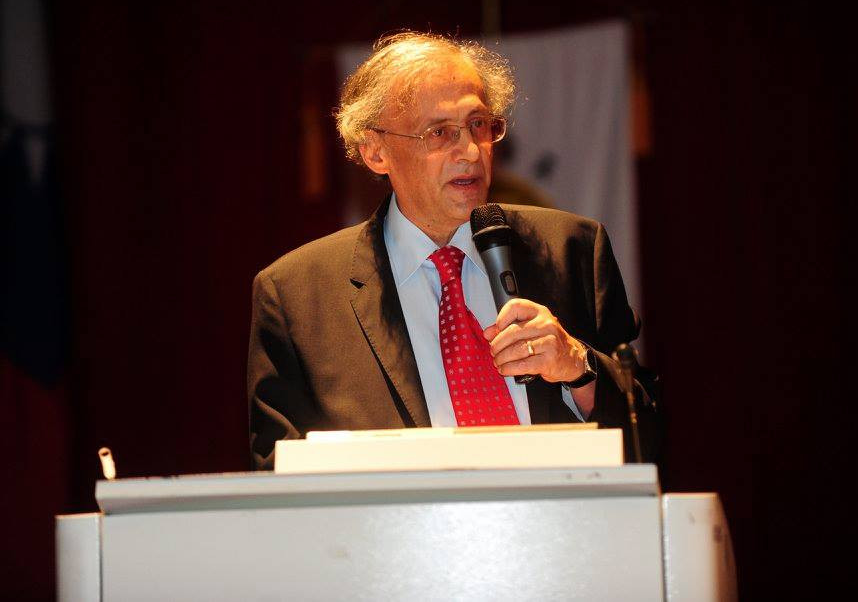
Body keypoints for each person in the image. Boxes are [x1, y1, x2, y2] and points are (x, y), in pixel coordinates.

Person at [247, 32, 658, 469]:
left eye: (479, 125)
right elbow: (282, 474)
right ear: (375, 152)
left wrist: (580, 368)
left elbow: (646, 437)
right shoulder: (298, 296)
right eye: (440, 132)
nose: (470, 152)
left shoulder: (572, 248)